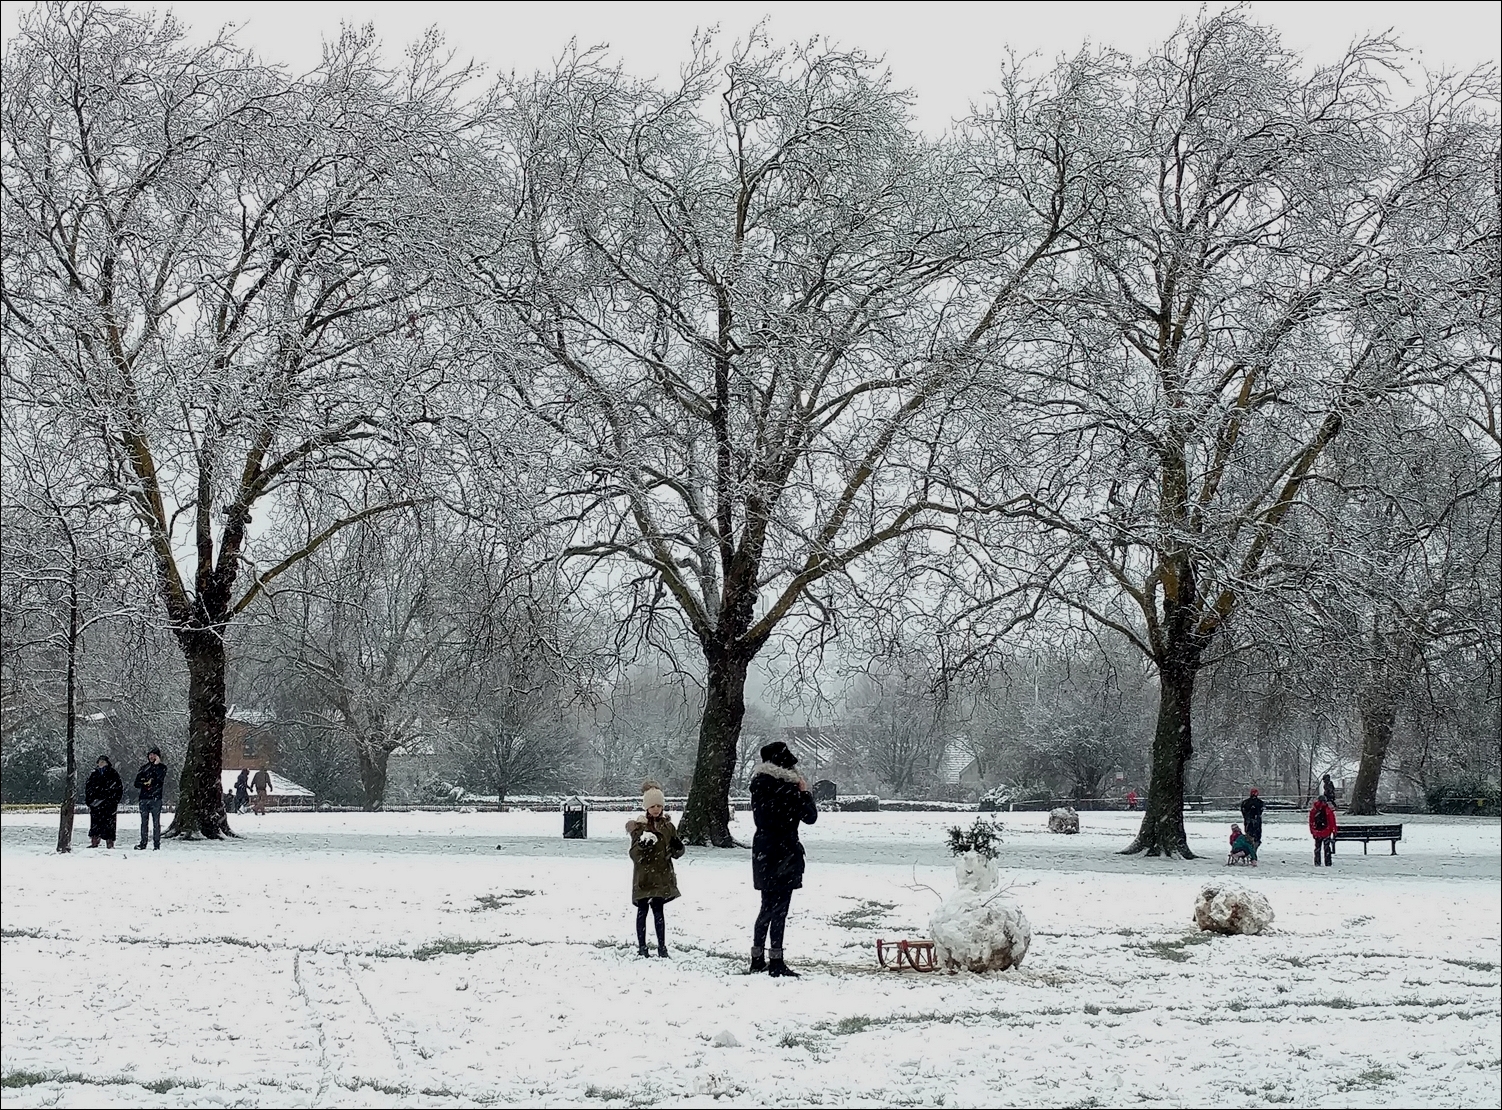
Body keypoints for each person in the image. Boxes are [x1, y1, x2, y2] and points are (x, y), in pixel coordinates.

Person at [748, 740, 818, 978]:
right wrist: (804, 792)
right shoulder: (788, 790)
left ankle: (757, 957)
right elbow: (810, 817)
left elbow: (766, 818)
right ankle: (776, 960)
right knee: (780, 909)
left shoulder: (759, 785)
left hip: (764, 851)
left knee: (766, 906)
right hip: (784, 851)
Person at [626, 780, 685, 958]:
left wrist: (678, 846)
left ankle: (662, 946)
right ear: (646, 807)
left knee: (659, 912)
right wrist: (642, 847)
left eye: (659, 805)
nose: (656, 809)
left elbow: (676, 853)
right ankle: (642, 946)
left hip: (661, 875)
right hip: (644, 876)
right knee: (642, 911)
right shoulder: (639, 828)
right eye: (653, 806)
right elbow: (634, 855)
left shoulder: (668, 827)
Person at [84, 755, 124, 849]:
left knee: (109, 824)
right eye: (100, 762)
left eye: (103, 762)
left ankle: (110, 842)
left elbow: (118, 788)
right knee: (95, 823)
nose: (101, 763)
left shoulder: (112, 773)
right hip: (96, 804)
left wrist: (113, 801)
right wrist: (90, 800)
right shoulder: (94, 774)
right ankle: (94, 841)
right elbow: (88, 788)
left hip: (108, 804)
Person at [133, 747, 167, 850]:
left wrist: (155, 766)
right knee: (144, 822)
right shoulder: (143, 768)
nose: (151, 757)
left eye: (154, 755)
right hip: (144, 798)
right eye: (150, 755)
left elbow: (159, 779)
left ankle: (156, 844)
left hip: (156, 799)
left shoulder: (162, 768)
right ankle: (143, 843)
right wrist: (144, 783)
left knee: (156, 822)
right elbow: (136, 783)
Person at [1309, 795, 1337, 866]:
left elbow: (1311, 821)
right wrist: (1334, 830)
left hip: (1317, 832)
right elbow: (1332, 821)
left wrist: (1312, 831)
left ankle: (1317, 862)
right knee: (1327, 847)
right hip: (1326, 831)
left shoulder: (1314, 810)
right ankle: (1327, 862)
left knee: (1317, 847)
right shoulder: (1328, 810)